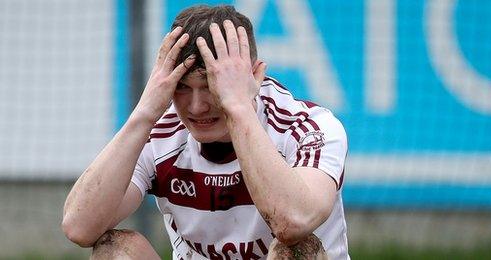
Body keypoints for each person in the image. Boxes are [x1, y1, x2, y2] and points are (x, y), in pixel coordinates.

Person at [62, 4, 348, 260]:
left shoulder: (308, 127)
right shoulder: (160, 131)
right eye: (183, 87)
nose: (196, 107)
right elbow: (79, 227)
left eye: (211, 84)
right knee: (115, 251)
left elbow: (293, 221)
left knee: (294, 250)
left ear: (253, 76)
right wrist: (144, 113)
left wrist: (238, 110)